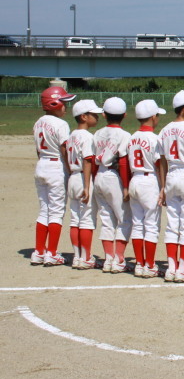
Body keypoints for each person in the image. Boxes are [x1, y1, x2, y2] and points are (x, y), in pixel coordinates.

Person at [157, 90, 184, 283]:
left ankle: (171, 267)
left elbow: (162, 160)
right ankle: (183, 267)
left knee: (173, 223)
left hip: (171, 175)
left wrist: (163, 185)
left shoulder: (165, 129)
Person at [32, 86, 77, 266]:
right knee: (57, 212)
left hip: (41, 164)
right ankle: (52, 253)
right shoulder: (61, 124)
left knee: (44, 210)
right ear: (54, 103)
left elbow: (37, 149)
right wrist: (70, 168)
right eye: (63, 103)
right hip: (56, 165)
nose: (65, 107)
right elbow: (64, 148)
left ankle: (39, 251)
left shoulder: (38, 122)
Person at [127, 99, 166, 278]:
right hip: (149, 180)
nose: (158, 118)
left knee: (137, 223)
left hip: (134, 178)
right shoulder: (154, 138)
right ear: (152, 117)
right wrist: (163, 187)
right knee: (151, 224)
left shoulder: (132, 137)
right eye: (157, 115)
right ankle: (149, 265)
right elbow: (159, 165)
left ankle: (140, 264)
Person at [93, 97, 132, 273]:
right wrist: (125, 186)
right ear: (124, 115)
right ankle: (119, 259)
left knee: (107, 220)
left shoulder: (97, 133)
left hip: (99, 174)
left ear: (103, 115)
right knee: (124, 219)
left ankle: (108, 259)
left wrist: (94, 180)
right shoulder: (124, 135)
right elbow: (123, 162)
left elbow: (93, 162)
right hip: (114, 177)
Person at [66, 99, 103, 269]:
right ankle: (86, 257)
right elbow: (88, 161)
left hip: (73, 176)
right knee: (86, 219)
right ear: (83, 116)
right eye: (93, 114)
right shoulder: (88, 137)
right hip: (83, 177)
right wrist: (87, 186)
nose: (97, 117)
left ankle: (77, 256)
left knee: (75, 219)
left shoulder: (71, 135)